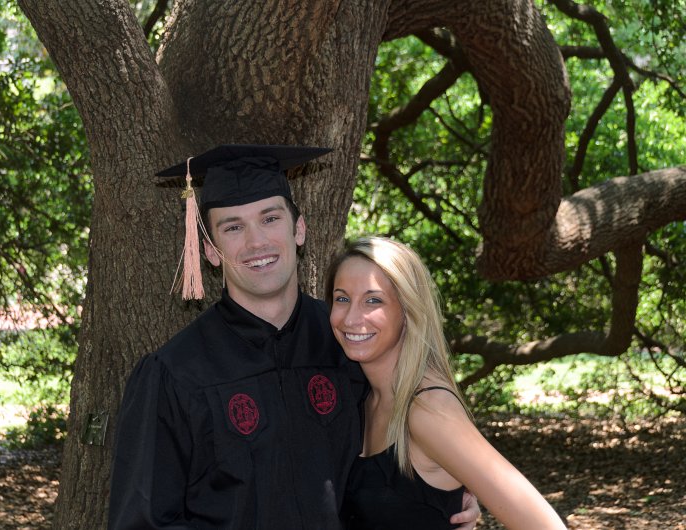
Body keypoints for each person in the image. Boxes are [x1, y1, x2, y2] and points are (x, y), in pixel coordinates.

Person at [107, 145, 481, 529]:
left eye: (270, 218)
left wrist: (442, 498)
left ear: (298, 229)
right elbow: (143, 521)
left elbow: (398, 457)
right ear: (210, 251)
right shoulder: (176, 374)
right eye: (233, 227)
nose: (256, 243)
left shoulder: (351, 343)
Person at [325, 236, 567, 530]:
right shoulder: (359, 396)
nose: (352, 317)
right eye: (342, 298)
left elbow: (544, 525)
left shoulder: (428, 409)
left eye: (373, 300)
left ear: (408, 310)